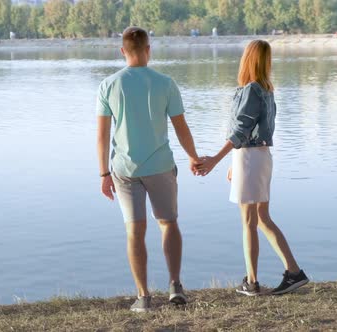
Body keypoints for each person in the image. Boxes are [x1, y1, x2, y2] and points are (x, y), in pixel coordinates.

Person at [96, 27, 200, 312]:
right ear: (148, 49)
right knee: (168, 223)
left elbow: (102, 135)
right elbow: (181, 127)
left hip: (124, 168)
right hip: (160, 165)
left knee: (135, 231)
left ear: (122, 51)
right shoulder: (165, 83)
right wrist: (194, 157)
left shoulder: (109, 85)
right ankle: (175, 285)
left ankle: (143, 297)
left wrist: (103, 173)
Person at [197, 40, 309, 296]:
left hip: (249, 158)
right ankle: (293, 272)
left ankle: (252, 281)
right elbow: (248, 132)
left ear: (247, 59)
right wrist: (231, 162)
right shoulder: (266, 90)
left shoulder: (251, 89)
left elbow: (240, 131)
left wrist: (215, 159)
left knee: (249, 221)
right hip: (259, 157)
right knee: (261, 219)